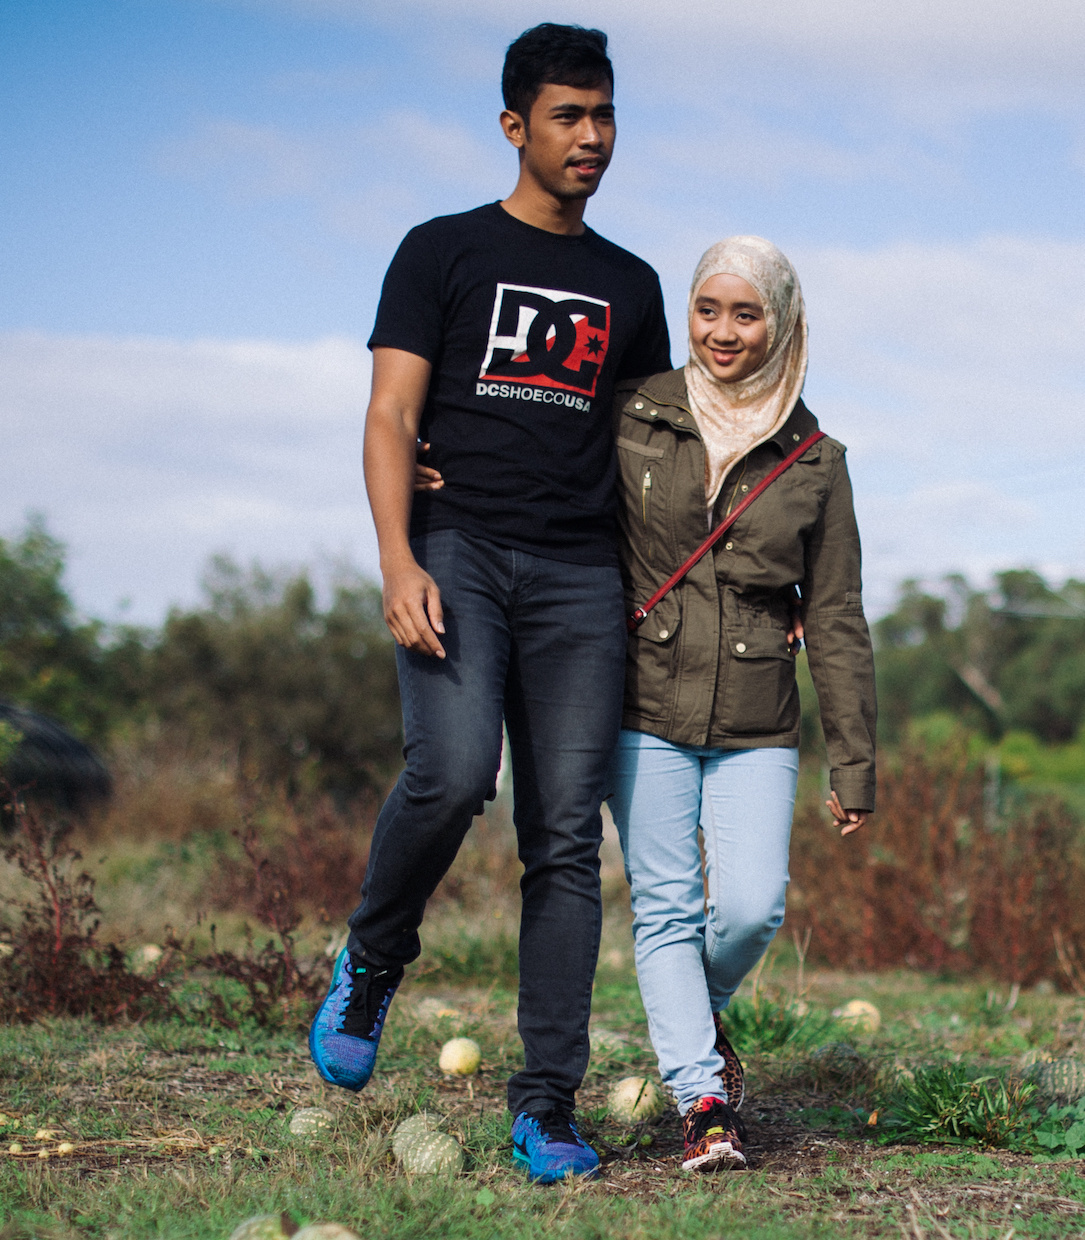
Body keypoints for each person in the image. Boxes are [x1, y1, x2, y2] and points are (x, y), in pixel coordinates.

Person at [307, 23, 669, 1186]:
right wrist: (395, 558)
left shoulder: (632, 286)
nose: (591, 137)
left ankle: (545, 1104)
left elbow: (652, 453)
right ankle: (374, 955)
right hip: (457, 550)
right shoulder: (442, 251)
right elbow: (387, 414)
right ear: (515, 126)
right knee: (454, 770)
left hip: (581, 576)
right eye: (567, 116)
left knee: (564, 837)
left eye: (603, 115)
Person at [608, 236, 876, 1172]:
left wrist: (854, 762)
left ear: (783, 324)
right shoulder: (633, 414)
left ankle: (687, 1012)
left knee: (756, 906)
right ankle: (703, 1101)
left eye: (747, 313)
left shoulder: (817, 460)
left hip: (758, 712)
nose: (723, 332)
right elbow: (552, 502)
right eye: (708, 309)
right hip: (642, 699)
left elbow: (835, 614)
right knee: (666, 910)